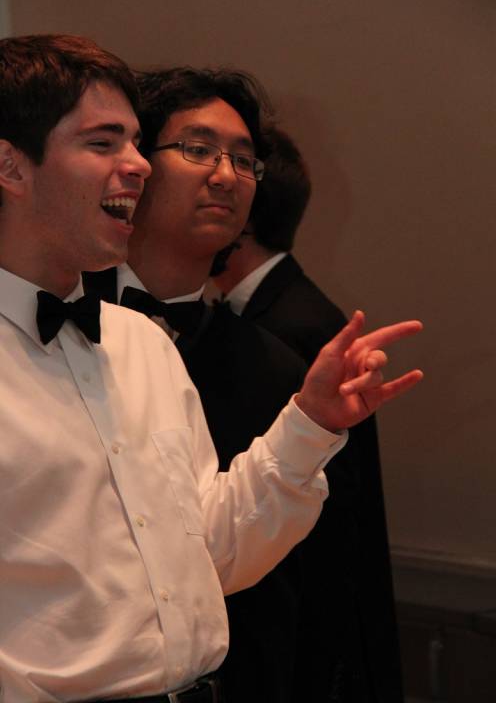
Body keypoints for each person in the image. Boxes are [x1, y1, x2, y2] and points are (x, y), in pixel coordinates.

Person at [0, 34, 422, 703]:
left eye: (136, 143)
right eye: (103, 143)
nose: (137, 165)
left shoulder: (142, 345)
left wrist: (309, 424)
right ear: (11, 166)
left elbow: (210, 556)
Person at [83, 67, 310, 703]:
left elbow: (298, 584)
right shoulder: (57, 326)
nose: (226, 176)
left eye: (243, 160)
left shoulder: (275, 368)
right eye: (198, 148)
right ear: (134, 166)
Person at [214, 127, 405, 702]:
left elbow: (323, 522)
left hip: (309, 629)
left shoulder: (286, 329)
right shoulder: (282, 311)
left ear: (241, 215)